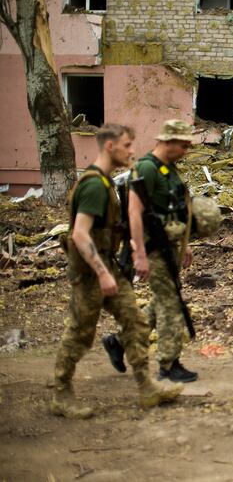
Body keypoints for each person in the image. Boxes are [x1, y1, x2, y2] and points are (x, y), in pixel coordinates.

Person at [51, 124, 182, 419]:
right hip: (90, 273)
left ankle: (147, 387)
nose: (132, 151)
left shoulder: (107, 182)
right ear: (110, 147)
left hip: (108, 266)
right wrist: (102, 273)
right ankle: (61, 393)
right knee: (79, 333)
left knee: (135, 322)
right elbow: (80, 235)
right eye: (126, 145)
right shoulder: (95, 185)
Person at [103, 119, 198, 383]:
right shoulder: (146, 168)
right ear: (167, 141)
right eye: (183, 145)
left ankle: (119, 342)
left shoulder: (170, 170)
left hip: (170, 247)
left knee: (161, 303)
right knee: (170, 305)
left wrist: (185, 245)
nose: (185, 150)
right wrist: (139, 255)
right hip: (152, 249)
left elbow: (177, 210)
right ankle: (168, 364)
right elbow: (134, 212)